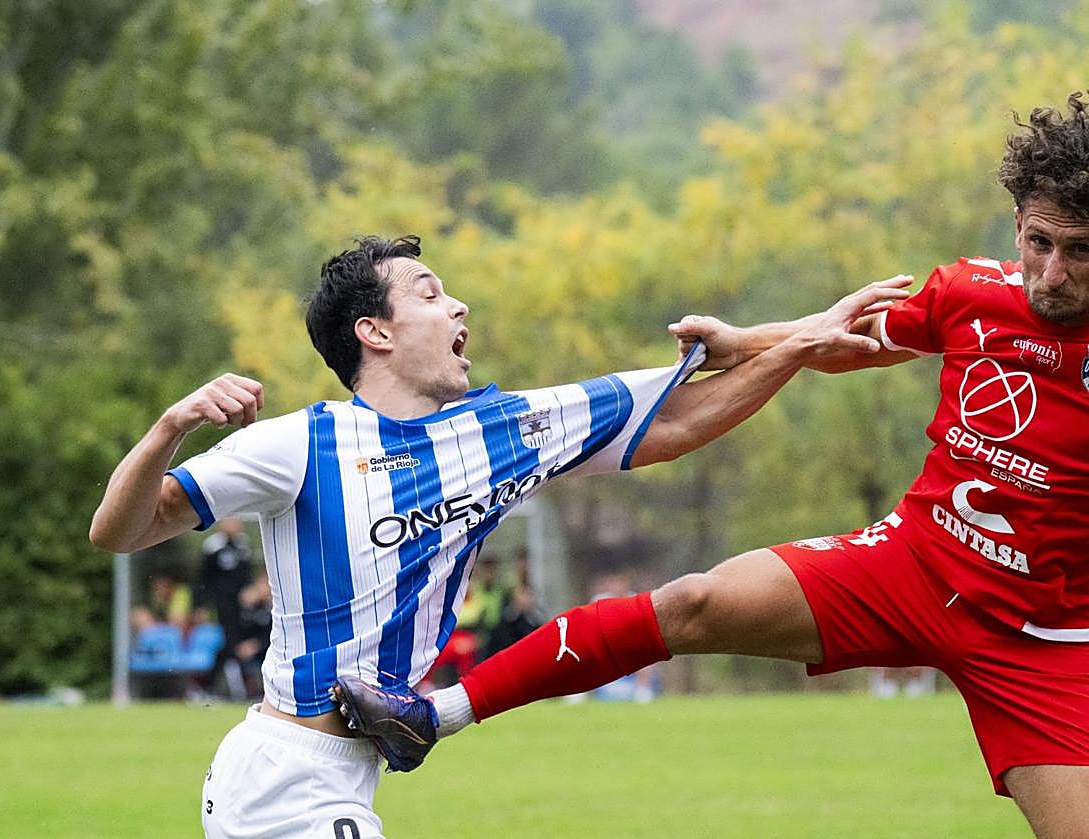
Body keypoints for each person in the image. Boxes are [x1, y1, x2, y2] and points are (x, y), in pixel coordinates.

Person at [334, 93, 1089, 838]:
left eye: (1080, 251)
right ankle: (430, 716)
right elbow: (839, 342)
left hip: (1046, 642)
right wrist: (742, 341)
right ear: (1017, 224)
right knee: (692, 601)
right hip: (911, 566)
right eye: (1039, 243)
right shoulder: (971, 293)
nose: (1051, 274)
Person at [89, 233, 906, 838]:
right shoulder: (300, 444)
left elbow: (680, 416)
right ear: (374, 332)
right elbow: (121, 530)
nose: (459, 306)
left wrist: (800, 336)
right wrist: (169, 426)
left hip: (345, 774)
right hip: (285, 776)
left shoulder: (501, 431)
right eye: (431, 291)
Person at [194, 516, 254, 698]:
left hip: (242, 606)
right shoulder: (213, 547)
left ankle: (209, 686)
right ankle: (216, 686)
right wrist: (201, 605)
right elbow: (203, 578)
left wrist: (249, 593)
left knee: (233, 644)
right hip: (222, 604)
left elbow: (247, 575)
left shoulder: (243, 545)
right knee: (231, 643)